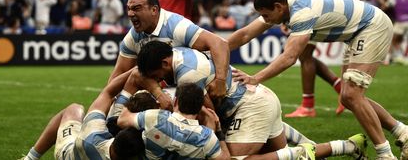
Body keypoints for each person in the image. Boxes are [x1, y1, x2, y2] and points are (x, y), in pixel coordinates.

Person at [232, 0, 408, 159]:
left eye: (266, 15)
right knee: (348, 97)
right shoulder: (283, 1)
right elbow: (245, 34)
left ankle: (385, 154)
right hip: (358, 32)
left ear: (278, 7)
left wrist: (255, 78)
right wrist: (214, 48)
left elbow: (289, 57)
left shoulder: (302, 12)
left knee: (352, 95)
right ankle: (403, 132)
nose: (266, 20)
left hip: (372, 26)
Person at [135, 41, 368, 160]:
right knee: (280, 156)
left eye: (158, 76)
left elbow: (210, 117)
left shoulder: (188, 74)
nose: (160, 81)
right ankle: (349, 145)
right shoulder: (182, 53)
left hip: (251, 109)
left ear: (165, 64)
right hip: (260, 99)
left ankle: (306, 149)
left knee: (235, 159)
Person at [107, 0, 229, 115]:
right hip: (175, 87)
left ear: (154, 10)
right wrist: (108, 101)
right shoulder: (133, 36)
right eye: (129, 9)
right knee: (138, 80)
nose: (130, 14)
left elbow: (219, 43)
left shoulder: (176, 26)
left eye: (136, 8)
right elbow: (120, 72)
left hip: (198, 83)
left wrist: (220, 80)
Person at [21, 73, 159, 160]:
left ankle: (31, 157)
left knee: (74, 109)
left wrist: (136, 70)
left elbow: (107, 93)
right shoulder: (146, 148)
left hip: (67, 155)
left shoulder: (92, 137)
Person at [118, 83, 231, 160]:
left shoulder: (154, 117)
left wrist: (136, 97)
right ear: (199, 108)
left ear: (175, 101)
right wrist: (219, 132)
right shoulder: (207, 137)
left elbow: (122, 120)